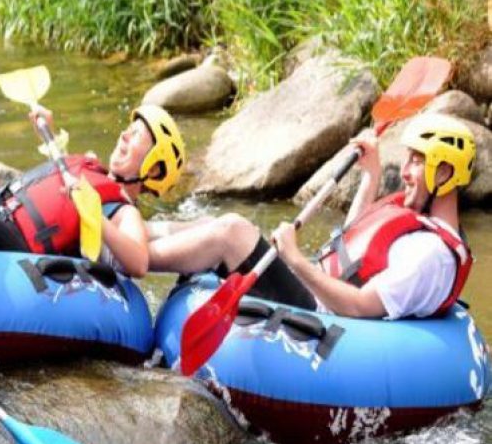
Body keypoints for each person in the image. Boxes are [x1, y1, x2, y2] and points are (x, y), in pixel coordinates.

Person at [147, 112, 476, 319]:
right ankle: (136, 231)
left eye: (417, 162)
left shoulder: (429, 254)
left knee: (232, 232)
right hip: (320, 294)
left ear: (445, 171)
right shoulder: (415, 218)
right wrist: (370, 176)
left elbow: (361, 305)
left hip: (325, 316)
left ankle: (125, 255)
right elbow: (353, 248)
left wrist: (297, 261)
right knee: (210, 225)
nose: (404, 172)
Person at [0, 104, 187, 289]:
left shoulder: (124, 210)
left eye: (135, 136)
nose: (123, 136)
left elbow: (139, 263)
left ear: (154, 168)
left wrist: (95, 216)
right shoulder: (92, 169)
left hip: (21, 248)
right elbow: (60, 176)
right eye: (127, 130)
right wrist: (48, 128)